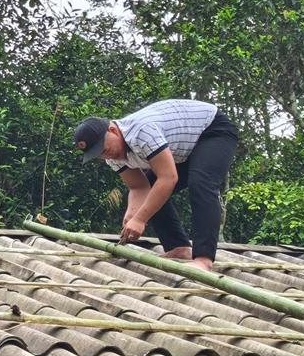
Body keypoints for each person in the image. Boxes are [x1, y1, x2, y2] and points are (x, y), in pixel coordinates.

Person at [72, 98, 239, 271]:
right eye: (99, 155)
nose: (106, 156)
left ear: (113, 130)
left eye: (105, 150)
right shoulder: (113, 157)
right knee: (153, 186)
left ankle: (204, 259)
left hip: (212, 130)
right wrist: (132, 214)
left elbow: (168, 178)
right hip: (183, 149)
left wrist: (140, 219)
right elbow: (139, 187)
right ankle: (178, 247)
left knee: (201, 182)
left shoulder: (141, 132)